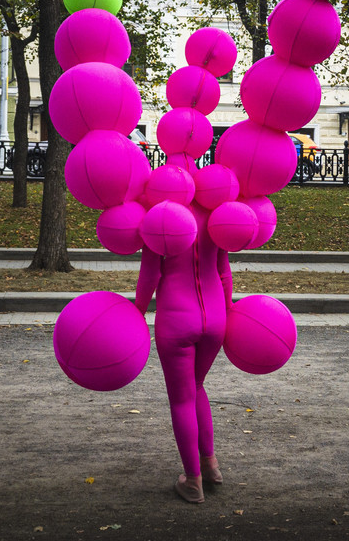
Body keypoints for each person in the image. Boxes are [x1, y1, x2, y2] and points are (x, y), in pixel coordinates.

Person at [134, 205, 232, 504]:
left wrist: (137, 314)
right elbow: (223, 272)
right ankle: (210, 465)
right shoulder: (217, 213)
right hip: (215, 318)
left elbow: (150, 275)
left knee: (181, 397)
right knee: (197, 386)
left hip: (176, 319)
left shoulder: (161, 217)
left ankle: (192, 481)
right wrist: (227, 311)